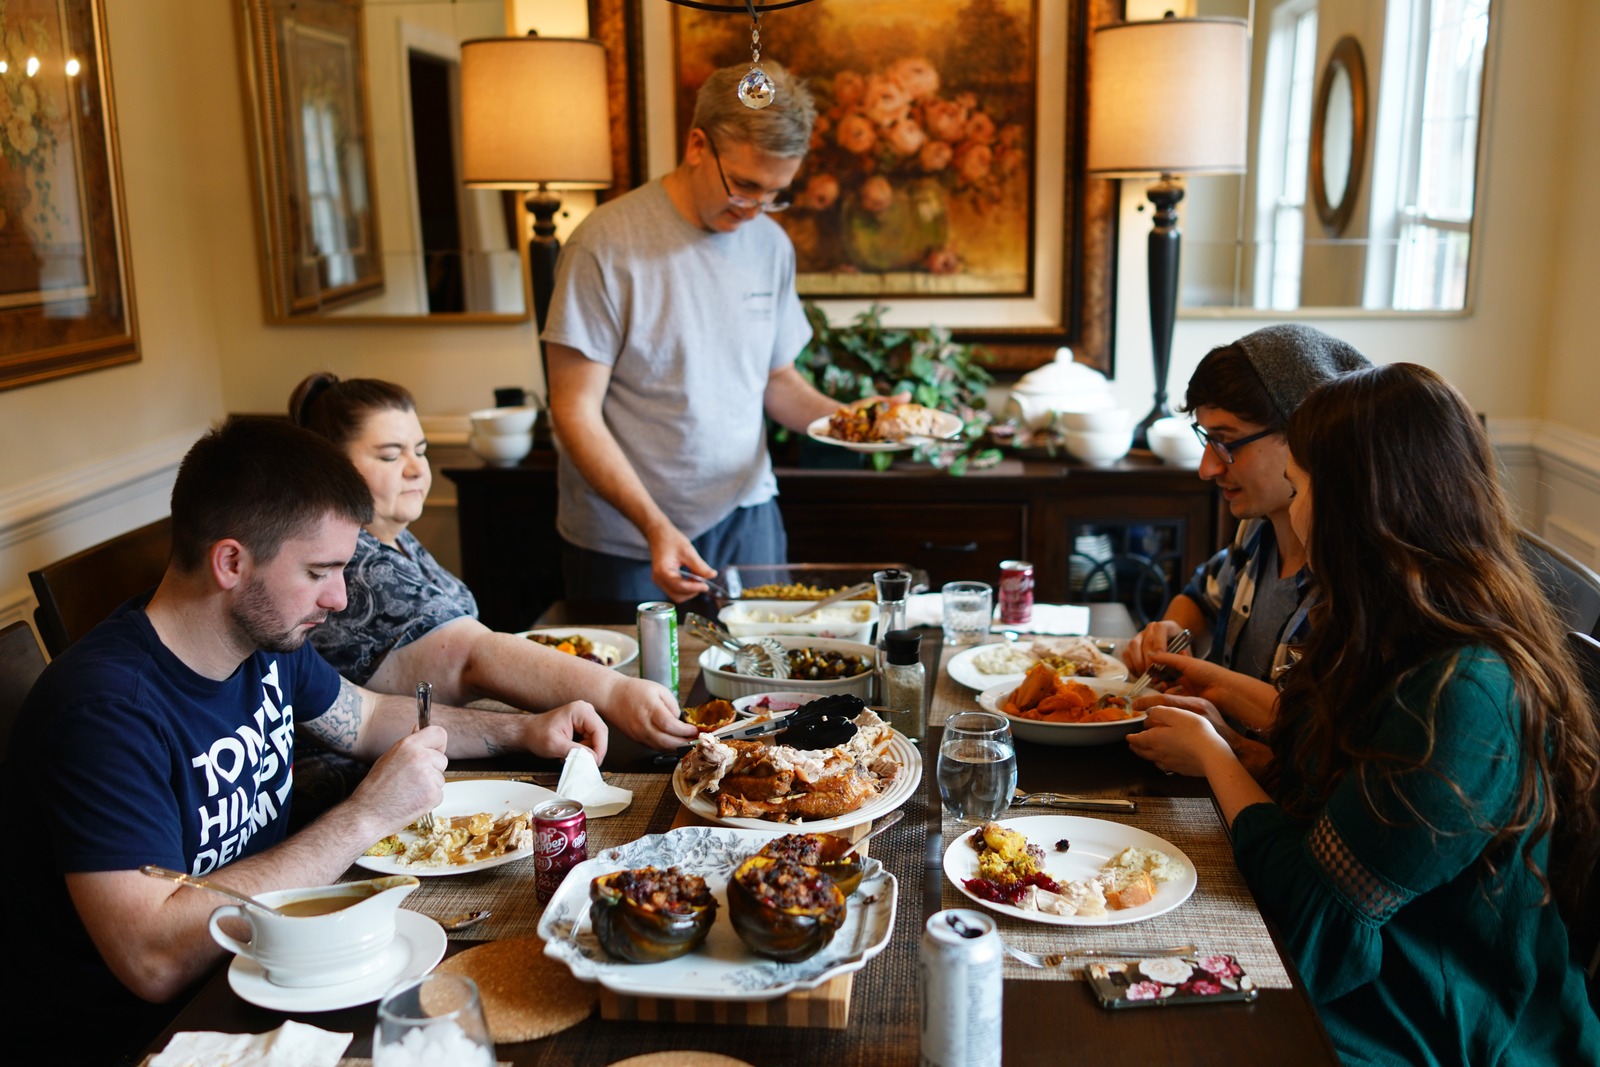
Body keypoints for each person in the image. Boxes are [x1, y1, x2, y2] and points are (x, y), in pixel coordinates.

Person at [0, 418, 607, 1062]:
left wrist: (524, 729)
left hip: (274, 964)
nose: (341, 598)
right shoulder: (104, 712)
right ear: (231, 561)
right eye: (320, 571)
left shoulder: (261, 640)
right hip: (162, 1036)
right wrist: (368, 815)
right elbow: (154, 961)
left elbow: (367, 718)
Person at [1128, 364, 1600, 1064]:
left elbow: (1318, 923)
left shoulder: (1462, 694)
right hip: (1389, 961)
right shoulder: (1380, 627)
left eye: (1303, 483)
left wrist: (1216, 758)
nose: (1293, 504)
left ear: (1357, 504)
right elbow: (1342, 792)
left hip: (1440, 1016)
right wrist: (1246, 748)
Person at [543, 62, 857, 604]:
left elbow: (776, 380)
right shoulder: (604, 243)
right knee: (636, 689)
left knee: (771, 685)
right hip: (625, 535)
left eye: (775, 194)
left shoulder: (770, 246)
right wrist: (654, 524)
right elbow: (574, 410)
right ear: (696, 145)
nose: (755, 209)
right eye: (745, 185)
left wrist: (858, 422)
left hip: (747, 515)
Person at [289, 373, 697, 751]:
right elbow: (471, 657)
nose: (417, 468)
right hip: (379, 772)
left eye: (421, 450)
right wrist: (613, 691)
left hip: (445, 740)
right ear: (334, 468)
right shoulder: (356, 562)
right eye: (391, 455)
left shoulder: (394, 538)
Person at [1121, 325, 1371, 740]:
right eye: (1206, 438)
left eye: (1226, 442)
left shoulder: (1357, 581)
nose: (1208, 468)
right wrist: (1172, 633)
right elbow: (1205, 594)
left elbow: (1326, 737)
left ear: (1303, 435)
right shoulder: (1256, 531)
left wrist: (1225, 738)